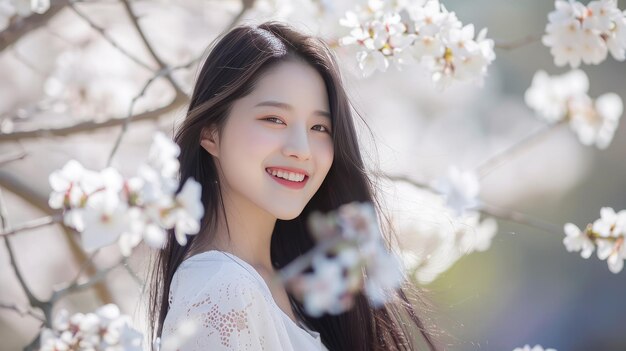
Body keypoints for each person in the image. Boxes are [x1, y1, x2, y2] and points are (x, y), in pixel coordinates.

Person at [147, 21, 439, 351]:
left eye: (319, 127)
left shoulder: (282, 287)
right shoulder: (223, 290)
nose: (301, 148)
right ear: (210, 133)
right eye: (274, 119)